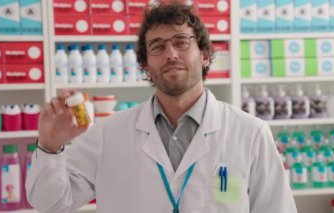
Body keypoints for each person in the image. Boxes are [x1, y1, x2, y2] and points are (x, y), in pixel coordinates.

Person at [26, 2, 297, 212]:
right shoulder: (107, 135)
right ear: (145, 66)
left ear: (204, 55)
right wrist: (49, 147)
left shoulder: (250, 133)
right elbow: (51, 204)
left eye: (181, 42)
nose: (170, 54)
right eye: (157, 46)